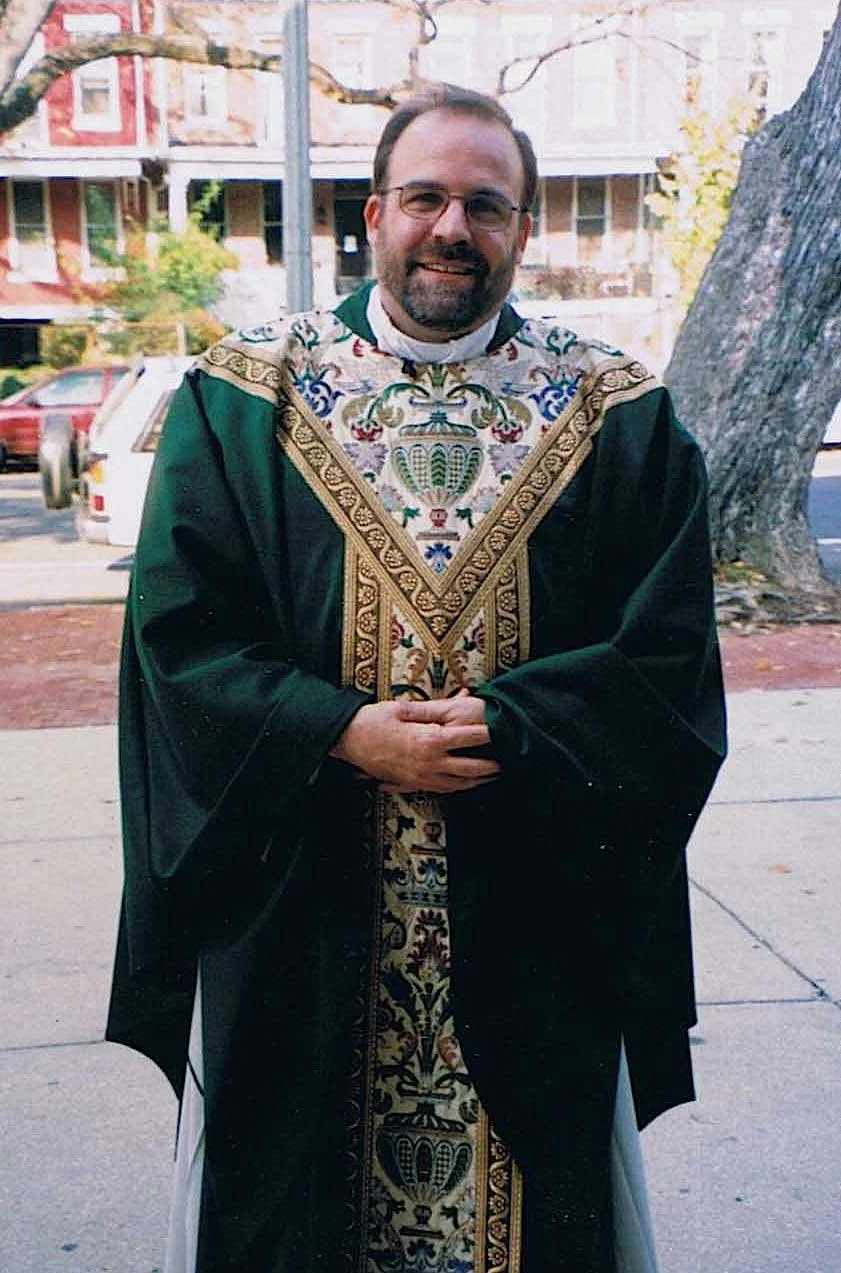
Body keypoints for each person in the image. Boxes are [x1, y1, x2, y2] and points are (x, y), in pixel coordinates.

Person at [106, 84, 727, 1273]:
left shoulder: (616, 414)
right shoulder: (246, 398)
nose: (454, 227)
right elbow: (177, 638)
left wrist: (513, 723)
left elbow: (669, 664)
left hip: (530, 912)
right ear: (374, 211)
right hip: (303, 906)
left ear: (524, 230)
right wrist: (339, 731)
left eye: (486, 205)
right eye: (428, 197)